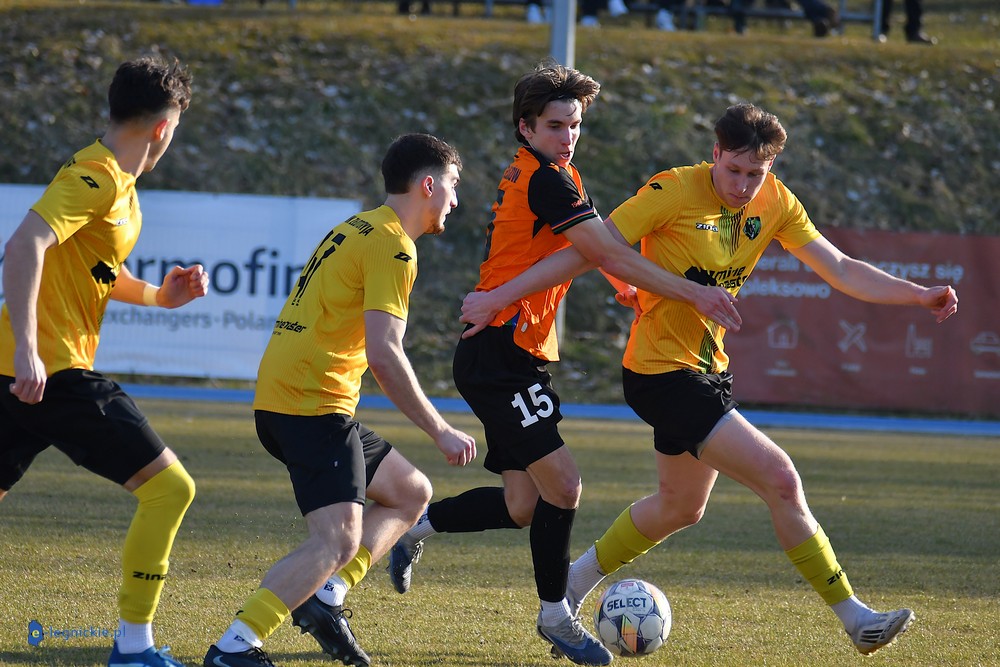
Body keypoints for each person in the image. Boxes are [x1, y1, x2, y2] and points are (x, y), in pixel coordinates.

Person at [457, 102, 959, 657]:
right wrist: (501, 297)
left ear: (770, 168)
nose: (742, 185)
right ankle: (856, 618)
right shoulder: (672, 190)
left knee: (680, 507)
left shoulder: (777, 202)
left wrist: (918, 295)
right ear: (715, 153)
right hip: (660, 373)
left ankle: (572, 584)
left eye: (754, 174)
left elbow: (839, 269)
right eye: (733, 169)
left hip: (708, 371)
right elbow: (591, 251)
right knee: (781, 479)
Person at [387, 62, 740, 667]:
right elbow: (606, 249)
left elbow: (595, 247)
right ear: (525, 128)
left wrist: (624, 288)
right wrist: (689, 292)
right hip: (499, 353)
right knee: (566, 485)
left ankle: (417, 526)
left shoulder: (558, 174)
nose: (569, 135)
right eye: (556, 125)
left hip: (513, 353)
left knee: (523, 505)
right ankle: (556, 615)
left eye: (575, 124)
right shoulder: (546, 181)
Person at [202, 133, 477, 667]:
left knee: (411, 492)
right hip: (310, 404)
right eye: (453, 185)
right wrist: (440, 430)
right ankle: (236, 646)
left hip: (295, 397)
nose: (455, 199)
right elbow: (385, 353)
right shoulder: (394, 245)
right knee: (335, 542)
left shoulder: (360, 225)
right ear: (428, 185)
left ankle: (326, 599)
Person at [0, 57, 207, 667]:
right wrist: (29, 349)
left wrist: (159, 296)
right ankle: (134, 647)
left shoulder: (115, 182)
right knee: (170, 489)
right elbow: (24, 244)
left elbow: (97, 269)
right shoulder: (96, 177)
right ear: (163, 128)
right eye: (176, 129)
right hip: (50, 372)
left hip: (22, 372)